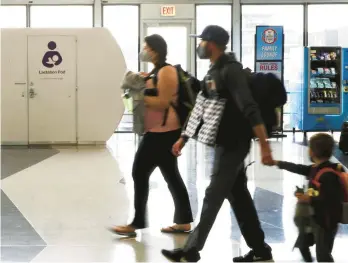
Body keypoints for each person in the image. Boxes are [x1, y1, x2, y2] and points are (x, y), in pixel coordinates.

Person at [161, 25, 274, 262]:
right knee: (239, 198)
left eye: (201, 41)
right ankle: (261, 251)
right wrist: (183, 137)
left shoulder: (231, 71)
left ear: (210, 43)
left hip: (234, 144)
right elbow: (200, 107)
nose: (199, 45)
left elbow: (250, 108)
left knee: (212, 196)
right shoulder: (213, 71)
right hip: (223, 144)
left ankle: (191, 250)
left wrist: (264, 145)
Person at [110, 34, 193, 236]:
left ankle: (136, 223)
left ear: (155, 50)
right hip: (159, 131)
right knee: (171, 175)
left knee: (139, 172)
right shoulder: (156, 71)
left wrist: (138, 98)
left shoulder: (167, 71)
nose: (143, 51)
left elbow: (163, 102)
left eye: (146, 47)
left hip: (163, 133)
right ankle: (183, 222)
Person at [273, 133, 343, 262]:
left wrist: (308, 199)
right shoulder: (316, 168)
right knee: (302, 244)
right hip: (313, 217)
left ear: (311, 151)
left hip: (326, 222)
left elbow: (330, 199)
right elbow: (298, 168)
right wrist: (278, 163)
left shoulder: (328, 175)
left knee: (323, 254)